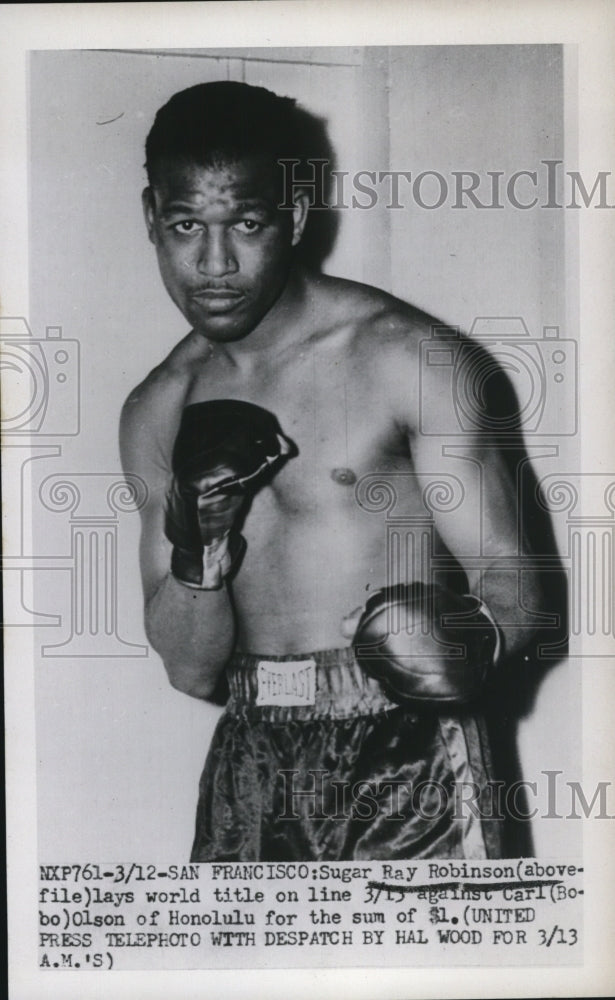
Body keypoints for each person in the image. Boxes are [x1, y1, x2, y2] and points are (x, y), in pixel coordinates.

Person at [120, 80, 544, 862]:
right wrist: (198, 551)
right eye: (186, 226)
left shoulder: (406, 358)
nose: (214, 263)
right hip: (250, 755)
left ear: (294, 216)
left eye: (246, 223)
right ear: (152, 218)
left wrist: (469, 637)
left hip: (409, 748)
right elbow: (188, 669)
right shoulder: (157, 408)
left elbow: (515, 581)